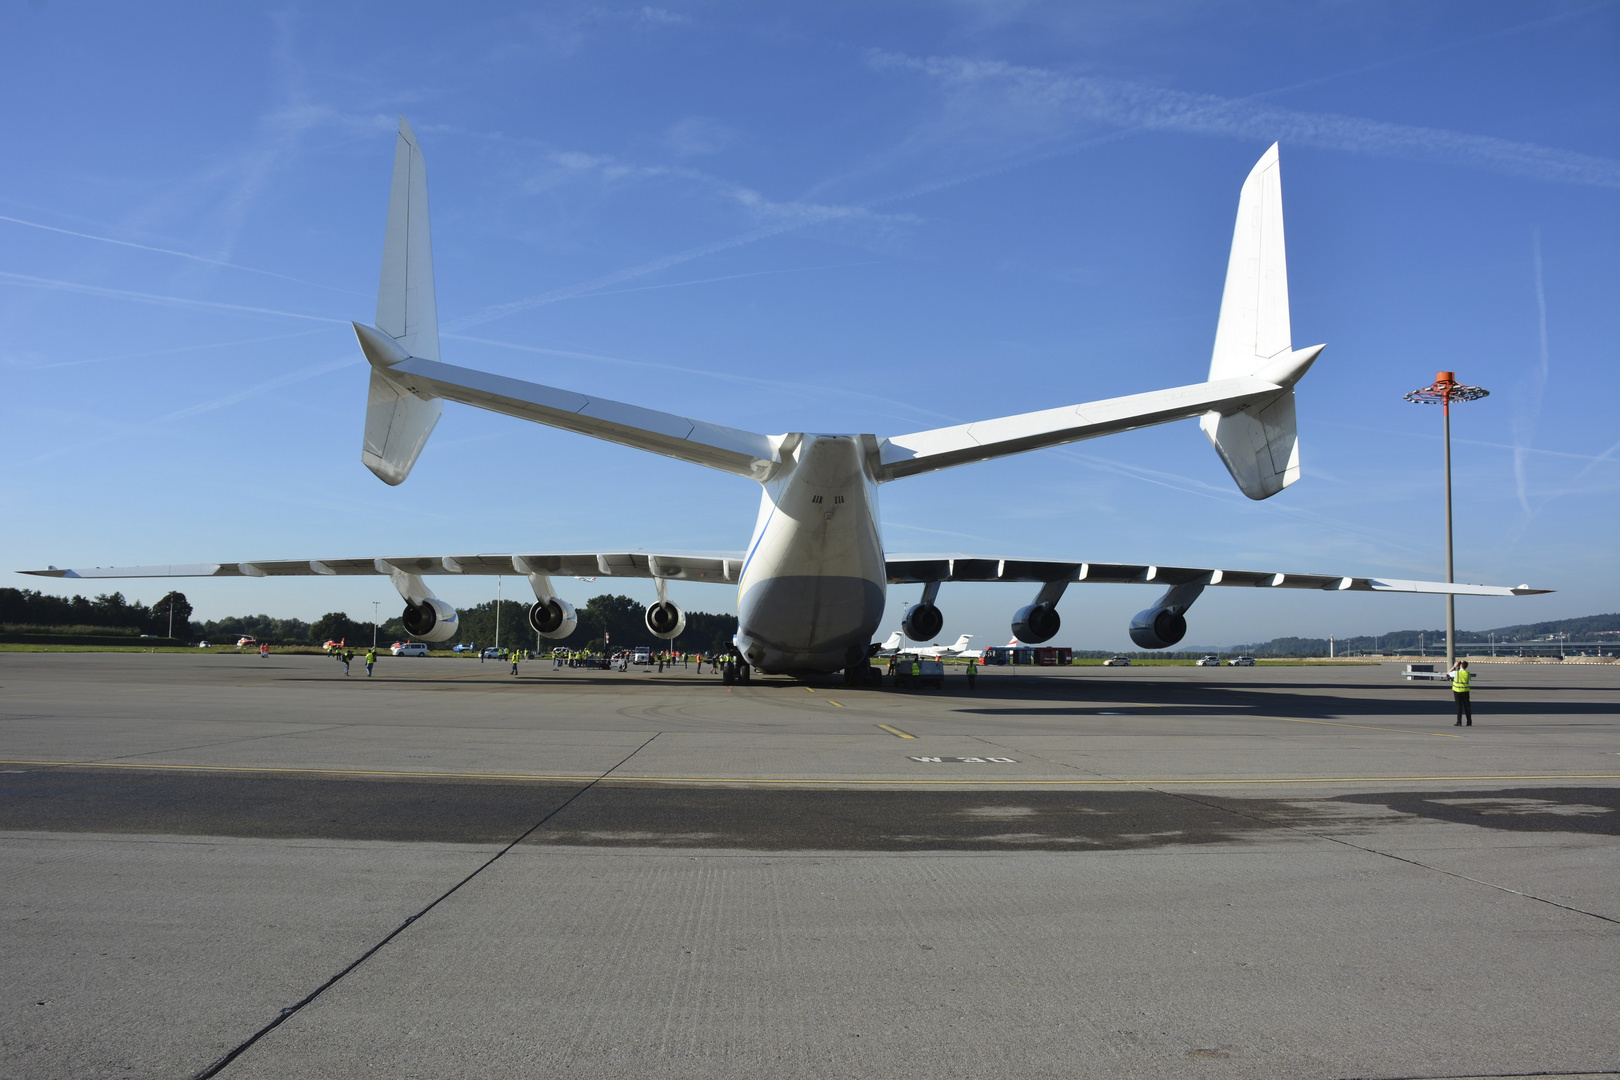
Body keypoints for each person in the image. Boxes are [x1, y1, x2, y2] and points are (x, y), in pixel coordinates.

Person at [1450, 659, 1473, 726]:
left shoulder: (1456, 673)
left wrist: (1454, 666)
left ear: (1460, 666)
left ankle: (1459, 722)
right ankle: (1469, 722)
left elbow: (1448, 673)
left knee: (1459, 707)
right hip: (1466, 691)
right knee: (1467, 707)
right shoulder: (1468, 673)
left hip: (1457, 691)